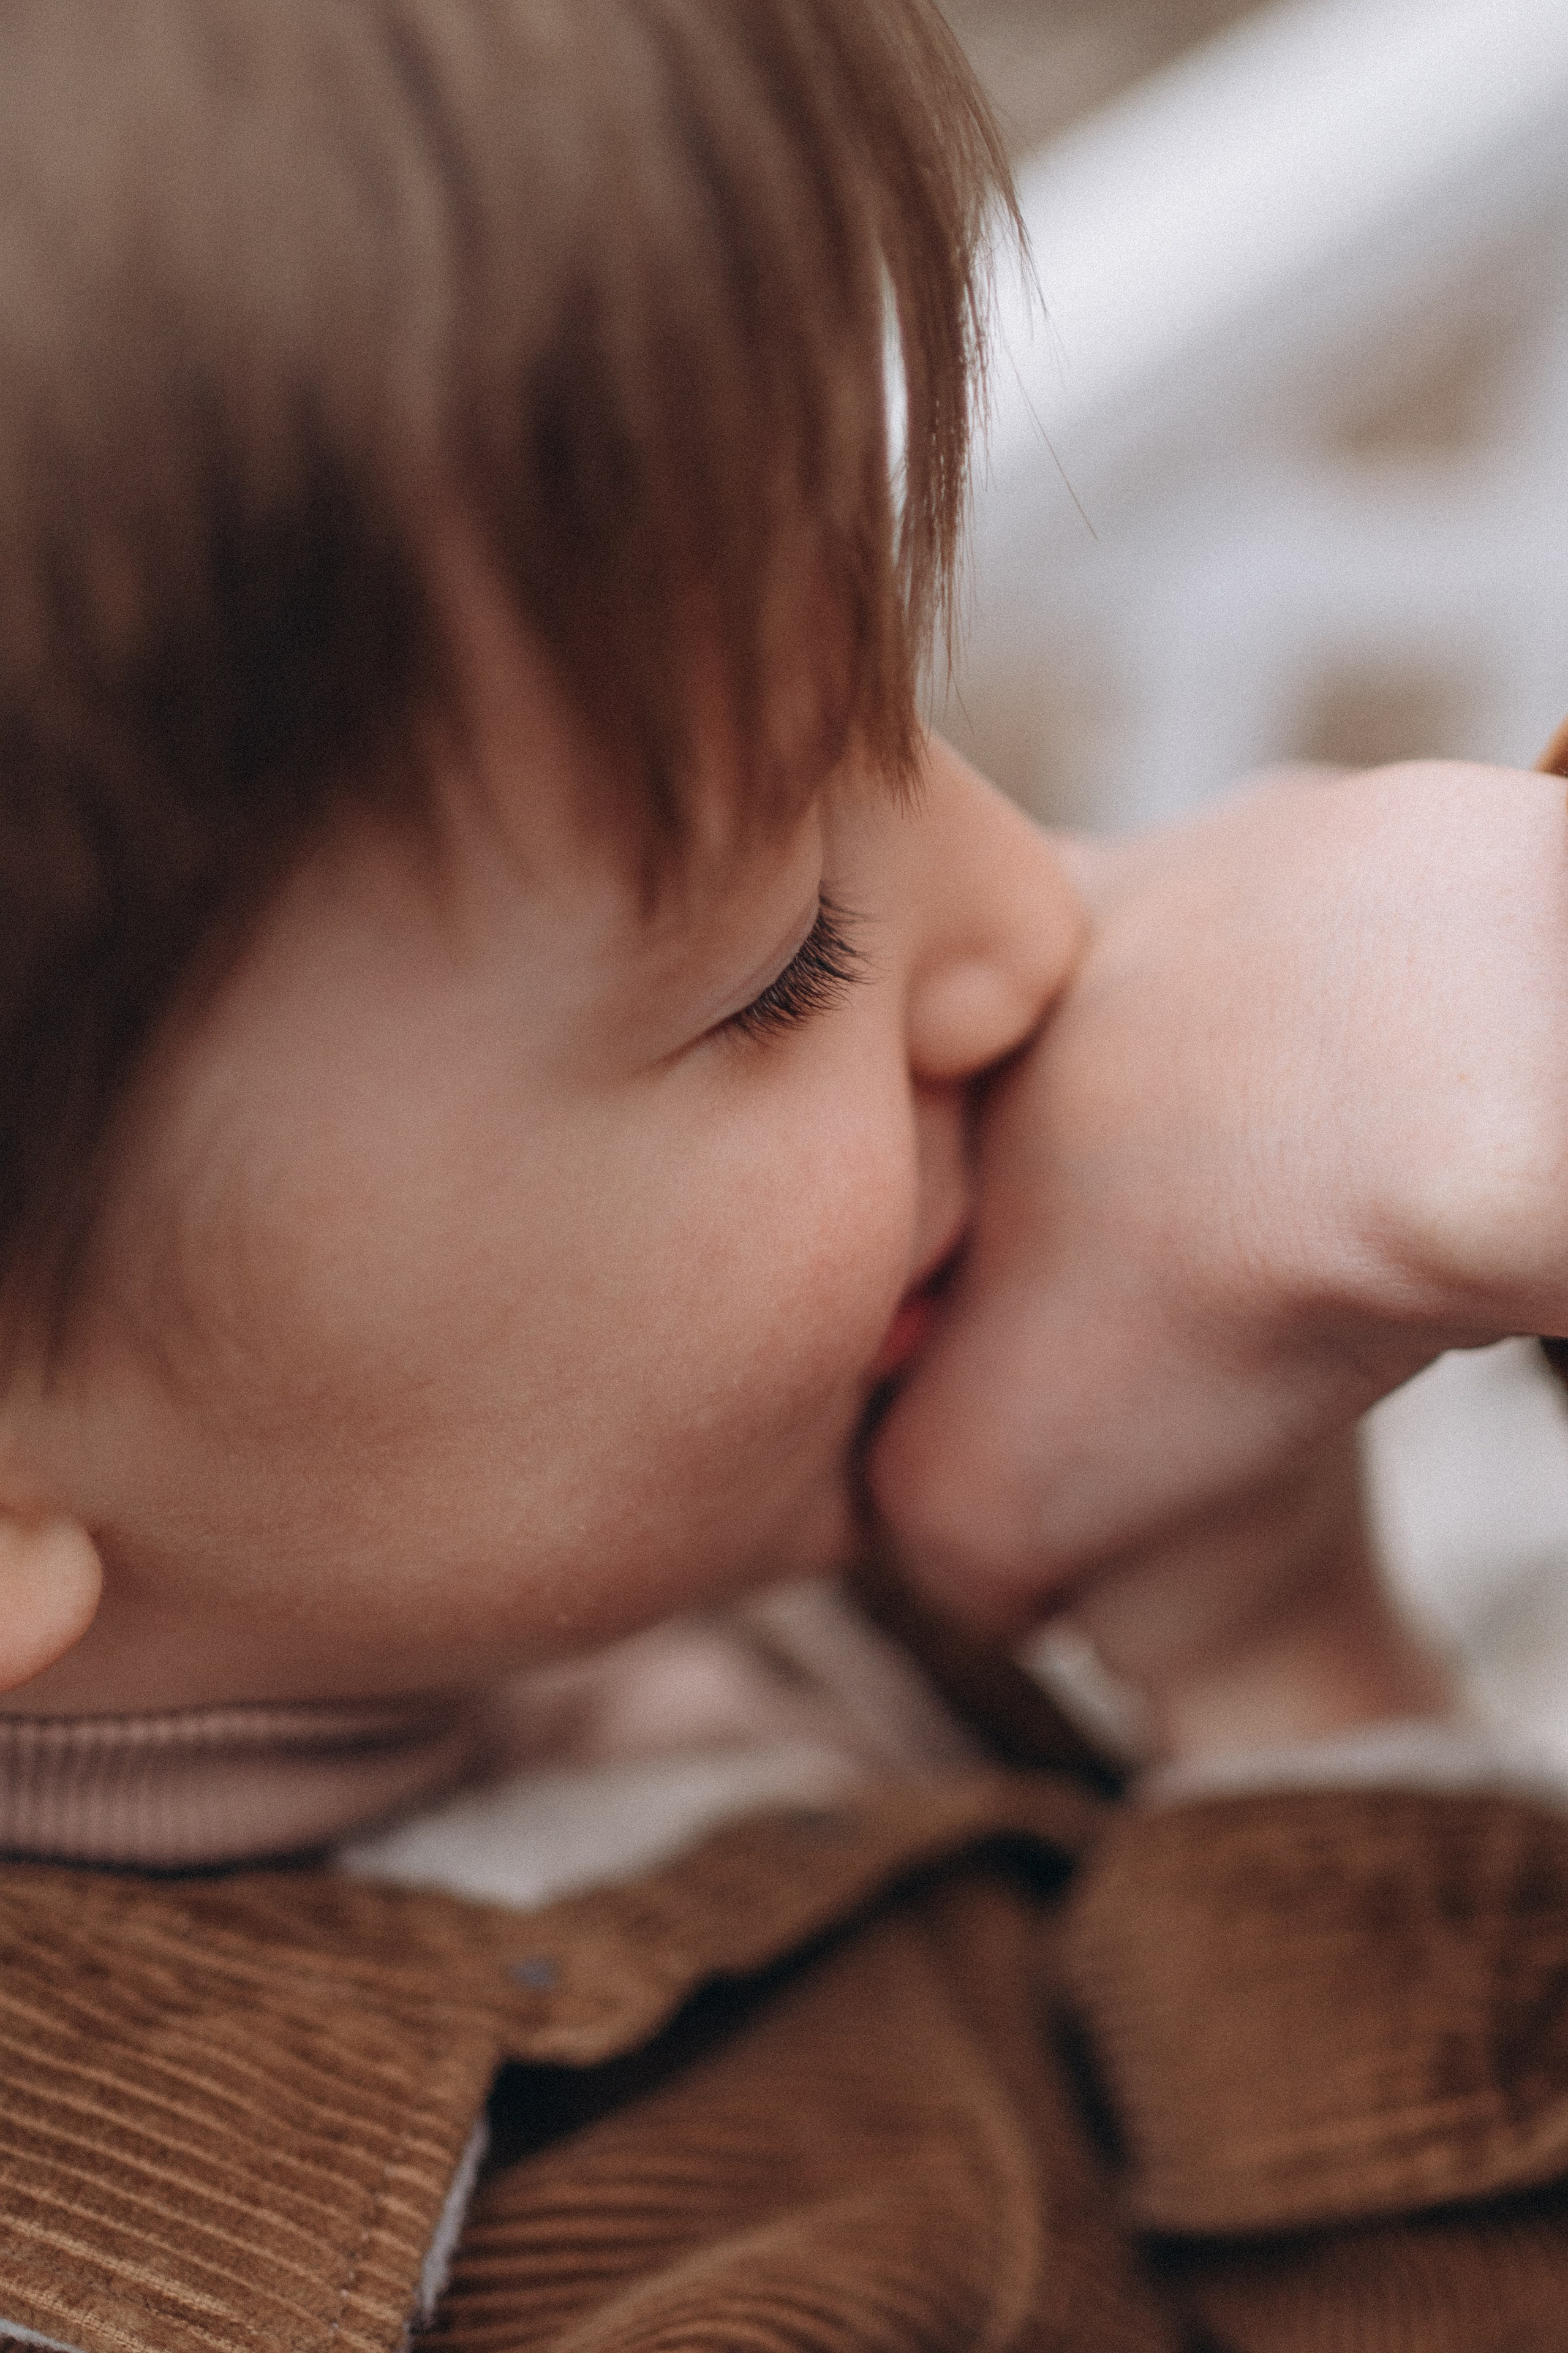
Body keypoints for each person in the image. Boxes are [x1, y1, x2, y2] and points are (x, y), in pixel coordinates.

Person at [1, 6, 1568, 2351]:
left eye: (911, 709)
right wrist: (1288, 1687)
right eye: (773, 961)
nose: (1033, 907)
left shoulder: (421, 1521)